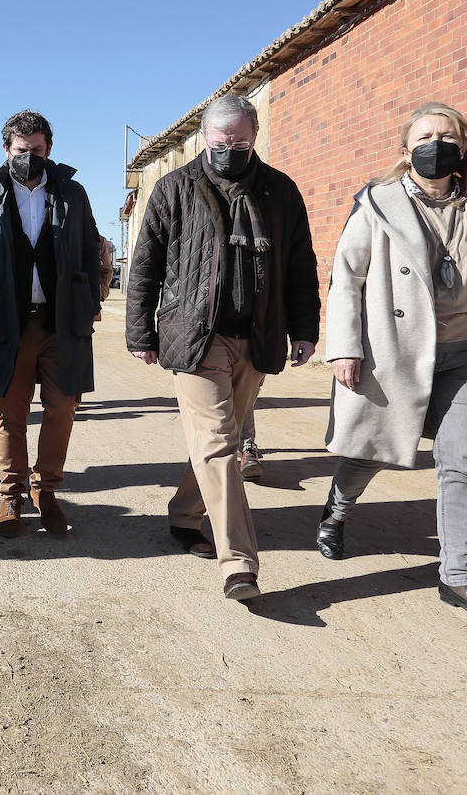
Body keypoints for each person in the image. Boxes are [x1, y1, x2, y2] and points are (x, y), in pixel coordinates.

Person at [322, 102, 467, 631]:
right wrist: (345, 346)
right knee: (376, 448)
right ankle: (338, 508)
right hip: (398, 349)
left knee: (462, 463)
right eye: (425, 136)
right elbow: (347, 278)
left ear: (463, 145)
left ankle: (457, 578)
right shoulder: (377, 203)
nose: (436, 144)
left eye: (447, 135)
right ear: (405, 150)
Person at [126, 94, 319, 600]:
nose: (229, 150)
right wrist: (140, 332)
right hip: (195, 336)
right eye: (219, 142)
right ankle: (239, 563)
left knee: (217, 440)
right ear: (203, 139)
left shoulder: (280, 191)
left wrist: (304, 329)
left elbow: (300, 265)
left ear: (254, 136)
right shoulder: (174, 188)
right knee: (218, 442)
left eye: (239, 142)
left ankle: (186, 512)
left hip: (256, 335)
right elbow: (144, 265)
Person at [0, 110, 101, 538]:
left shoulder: (72, 193)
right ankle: (11, 495)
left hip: (61, 324)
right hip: (8, 326)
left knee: (63, 409)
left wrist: (89, 298)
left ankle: (46, 491)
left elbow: (91, 250)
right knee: (9, 413)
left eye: (36, 150)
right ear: (6, 151)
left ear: (49, 149)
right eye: (21, 151)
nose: (28, 158)